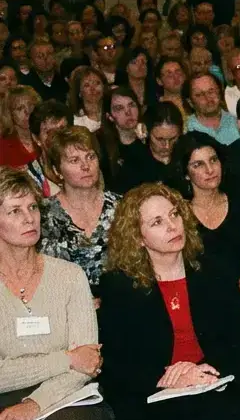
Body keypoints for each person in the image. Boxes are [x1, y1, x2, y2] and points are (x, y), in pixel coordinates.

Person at [97, 183, 240, 420]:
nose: (172, 225)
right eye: (157, 222)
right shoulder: (120, 287)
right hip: (155, 400)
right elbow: (116, 365)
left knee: (222, 418)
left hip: (218, 384)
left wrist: (205, 373)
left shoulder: (214, 271)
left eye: (174, 214)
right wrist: (168, 377)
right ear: (138, 237)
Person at [0, 168, 113, 420]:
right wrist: (66, 359)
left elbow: (87, 363)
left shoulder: (69, 276)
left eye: (33, 207)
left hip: (73, 399)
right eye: (15, 211)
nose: (29, 218)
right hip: (4, 407)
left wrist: (36, 404)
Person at [172, 132, 240, 295]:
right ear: (186, 173)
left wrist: (238, 290)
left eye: (213, 160)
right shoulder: (178, 214)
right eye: (198, 165)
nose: (210, 170)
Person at [38, 128, 120, 297]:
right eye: (74, 160)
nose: (85, 166)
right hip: (62, 307)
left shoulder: (122, 207)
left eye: (91, 157)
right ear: (57, 171)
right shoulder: (42, 214)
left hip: (119, 307)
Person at [113, 104, 183, 193]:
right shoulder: (133, 162)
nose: (167, 146)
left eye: (173, 139)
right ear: (146, 131)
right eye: (159, 139)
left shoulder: (186, 152)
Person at [184, 73, 239, 146]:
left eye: (211, 91)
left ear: (219, 93)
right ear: (190, 102)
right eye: (199, 94)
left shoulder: (238, 124)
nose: (208, 98)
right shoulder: (186, 129)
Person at [0, 87, 41, 168]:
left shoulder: (45, 135)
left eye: (30, 105)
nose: (27, 112)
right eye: (19, 108)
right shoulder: (3, 146)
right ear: (10, 114)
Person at [67, 67, 106, 133]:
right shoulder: (75, 122)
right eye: (87, 85)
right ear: (79, 92)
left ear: (103, 86)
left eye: (97, 83)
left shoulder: (112, 112)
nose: (93, 88)